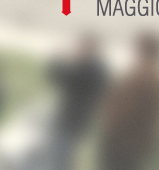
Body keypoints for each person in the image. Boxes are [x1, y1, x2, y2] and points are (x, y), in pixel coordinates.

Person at [98, 33, 159, 170]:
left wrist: (110, 124)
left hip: (123, 140)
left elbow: (126, 109)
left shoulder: (142, 75)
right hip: (139, 142)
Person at [45, 35, 110, 170]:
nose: (78, 50)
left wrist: (57, 59)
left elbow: (60, 77)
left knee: (59, 157)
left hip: (69, 120)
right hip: (79, 120)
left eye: (81, 47)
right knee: (65, 155)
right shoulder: (98, 69)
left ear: (90, 48)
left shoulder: (87, 70)